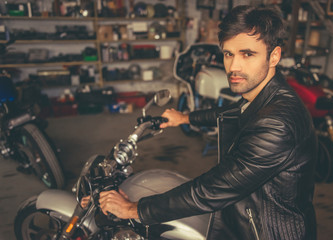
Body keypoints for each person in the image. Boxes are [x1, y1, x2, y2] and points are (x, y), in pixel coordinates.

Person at [98, 5, 318, 239]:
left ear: (274, 56)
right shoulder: (265, 94)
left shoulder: (277, 123)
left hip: (266, 232)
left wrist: (134, 209)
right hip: (250, 217)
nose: (234, 67)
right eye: (228, 54)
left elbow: (214, 189)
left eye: (247, 54)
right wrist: (185, 118)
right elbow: (233, 111)